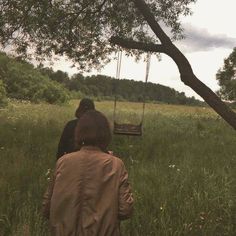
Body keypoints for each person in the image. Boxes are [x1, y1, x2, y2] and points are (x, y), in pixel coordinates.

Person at [43, 110, 134, 236]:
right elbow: (125, 210)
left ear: (79, 132)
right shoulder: (116, 165)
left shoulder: (62, 162)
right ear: (105, 134)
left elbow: (47, 208)